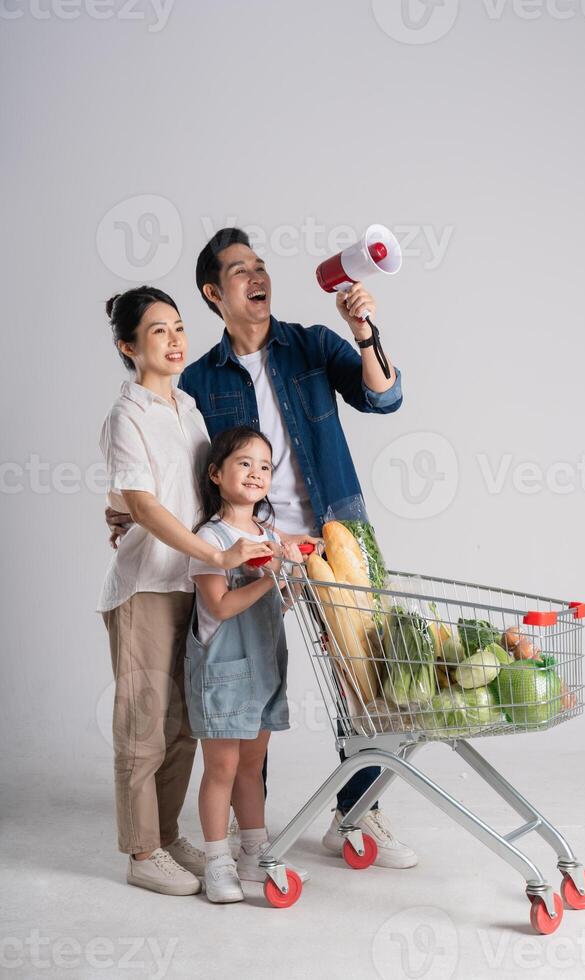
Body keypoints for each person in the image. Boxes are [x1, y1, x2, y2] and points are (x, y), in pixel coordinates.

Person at [107, 228, 417, 868]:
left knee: (361, 682)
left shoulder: (310, 344)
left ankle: (357, 813)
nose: (258, 276)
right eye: (239, 270)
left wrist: (364, 330)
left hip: (333, 537)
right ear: (213, 293)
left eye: (261, 265)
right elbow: (188, 467)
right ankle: (254, 833)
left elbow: (384, 396)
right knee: (249, 680)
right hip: (252, 550)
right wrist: (125, 506)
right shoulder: (196, 383)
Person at [98, 286, 275, 896]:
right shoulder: (127, 416)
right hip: (147, 587)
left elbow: (201, 487)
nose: (175, 340)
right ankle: (142, 850)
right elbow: (146, 504)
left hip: (194, 589)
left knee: (183, 725)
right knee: (144, 723)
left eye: (178, 327)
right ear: (128, 346)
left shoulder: (191, 410)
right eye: (157, 331)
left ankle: (169, 836)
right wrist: (216, 555)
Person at [185, 425, 308, 903]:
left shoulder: (269, 535)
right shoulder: (210, 537)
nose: (256, 473)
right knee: (222, 767)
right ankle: (217, 859)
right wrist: (269, 575)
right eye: (244, 463)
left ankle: (254, 852)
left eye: (264, 466)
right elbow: (219, 606)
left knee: (252, 767)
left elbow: (280, 603)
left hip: (263, 666)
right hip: (223, 671)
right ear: (216, 473)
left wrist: (295, 576)